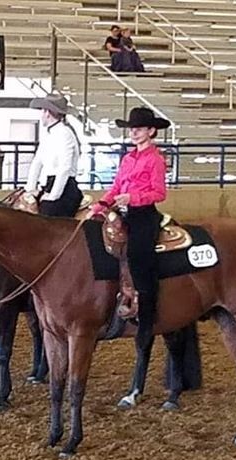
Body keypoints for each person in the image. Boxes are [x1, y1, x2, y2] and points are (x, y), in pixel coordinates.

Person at [89, 106, 171, 337]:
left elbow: (159, 193)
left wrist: (133, 198)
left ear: (151, 131)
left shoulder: (155, 159)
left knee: (138, 255)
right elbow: (115, 188)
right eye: (132, 129)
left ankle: (146, 307)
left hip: (144, 215)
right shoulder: (127, 158)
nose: (134, 133)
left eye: (139, 129)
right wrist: (99, 206)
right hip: (123, 212)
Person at [25, 94, 81, 217]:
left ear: (47, 112)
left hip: (65, 188)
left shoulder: (65, 134)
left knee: (46, 217)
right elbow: (37, 162)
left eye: (42, 111)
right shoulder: (48, 134)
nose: (41, 115)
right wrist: (29, 189)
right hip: (48, 185)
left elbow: (64, 169)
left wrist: (53, 196)